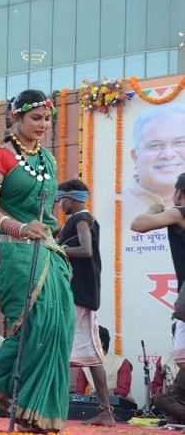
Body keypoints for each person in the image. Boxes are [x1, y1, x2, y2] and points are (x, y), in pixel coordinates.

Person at [0, 89, 74, 433]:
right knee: (34, 323)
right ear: (16, 118)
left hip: (46, 251)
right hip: (11, 250)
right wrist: (21, 227)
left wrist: (42, 234)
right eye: (36, 118)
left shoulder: (48, 158)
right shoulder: (0, 156)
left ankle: (32, 411)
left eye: (46, 119)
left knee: (59, 326)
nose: (43, 125)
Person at [56, 179, 115, 426]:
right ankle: (103, 412)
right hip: (76, 295)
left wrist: (56, 249)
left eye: (61, 199)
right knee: (66, 352)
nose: (59, 204)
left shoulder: (82, 219)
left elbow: (86, 250)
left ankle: (106, 412)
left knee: (91, 355)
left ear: (71, 198)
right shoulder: (73, 221)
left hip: (81, 296)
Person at [131, 172, 185, 417]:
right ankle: (175, 397)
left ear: (179, 194)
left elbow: (138, 225)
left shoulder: (179, 212)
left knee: (182, 357)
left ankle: (173, 397)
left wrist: (154, 209)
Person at [128, 103, 185, 208]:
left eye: (180, 142)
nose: (168, 155)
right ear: (135, 157)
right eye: (155, 145)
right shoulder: (112, 207)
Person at [75, 326, 134, 404]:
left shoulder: (121, 363)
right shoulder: (84, 364)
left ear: (101, 343)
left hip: (120, 407)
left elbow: (124, 391)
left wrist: (109, 392)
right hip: (94, 405)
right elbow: (79, 392)